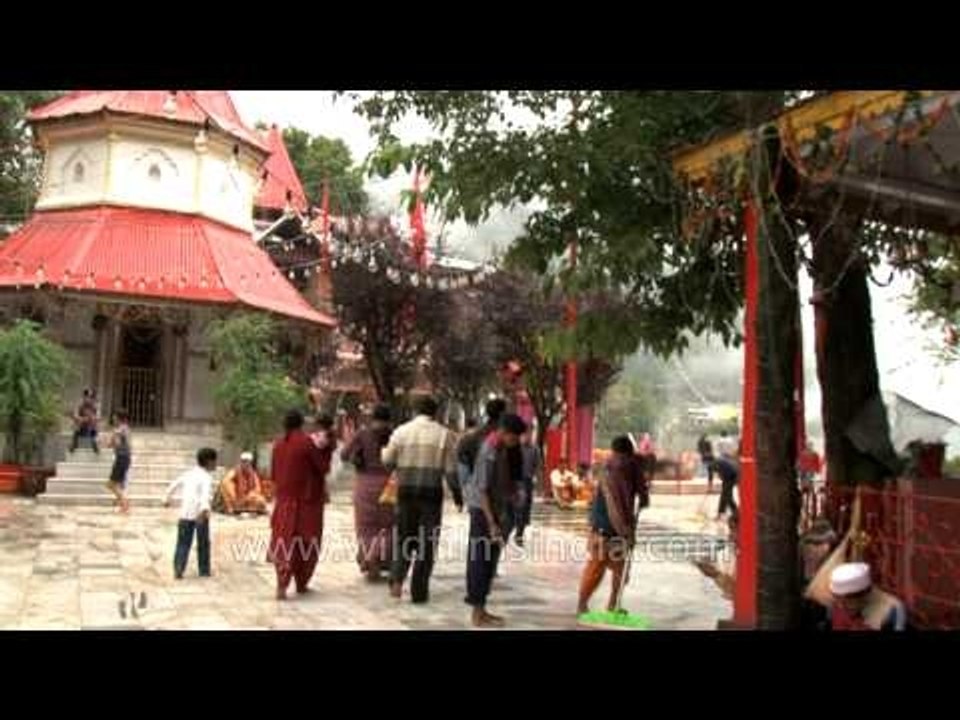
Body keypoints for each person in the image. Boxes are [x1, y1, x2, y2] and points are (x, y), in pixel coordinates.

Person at [382, 395, 462, 604]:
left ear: (415, 411)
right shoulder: (445, 435)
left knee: (404, 538)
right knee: (427, 544)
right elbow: (451, 472)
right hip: (431, 497)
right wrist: (457, 495)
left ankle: (396, 582)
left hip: (405, 495)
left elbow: (387, 460)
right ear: (435, 412)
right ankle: (418, 591)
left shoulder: (401, 432)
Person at [465, 413, 527, 627]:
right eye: (514, 437)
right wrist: (491, 523)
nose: (516, 442)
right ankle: (477, 613)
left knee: (489, 560)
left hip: (496, 509)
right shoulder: (488, 451)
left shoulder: (502, 448)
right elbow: (482, 490)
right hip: (483, 511)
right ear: (504, 432)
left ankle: (482, 610)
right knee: (480, 560)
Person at [577, 435, 647, 615]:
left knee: (621, 570)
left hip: (622, 526)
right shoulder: (609, 473)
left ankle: (613, 604)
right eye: (619, 458)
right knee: (596, 568)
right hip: (603, 526)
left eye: (626, 458)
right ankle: (582, 604)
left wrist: (644, 497)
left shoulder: (631, 467)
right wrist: (626, 533)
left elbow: (641, 489)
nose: (622, 462)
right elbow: (614, 508)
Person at [269, 410, 334, 600]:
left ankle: (281, 585)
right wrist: (328, 449)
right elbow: (323, 468)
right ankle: (301, 582)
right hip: (308, 502)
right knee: (307, 544)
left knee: (284, 543)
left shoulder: (278, 445)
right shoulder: (308, 443)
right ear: (302, 423)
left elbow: (274, 475)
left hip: (284, 502)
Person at [341, 403, 394, 581]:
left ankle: (370, 560)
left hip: (364, 485)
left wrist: (357, 457)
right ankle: (377, 557)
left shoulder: (362, 434)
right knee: (389, 526)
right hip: (389, 486)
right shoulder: (395, 434)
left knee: (365, 527)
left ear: (373, 418)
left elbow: (344, 454)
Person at [164, 447, 218, 579]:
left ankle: (178, 568)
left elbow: (173, 485)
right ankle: (204, 570)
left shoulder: (188, 474)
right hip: (200, 514)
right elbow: (204, 496)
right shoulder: (206, 477)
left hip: (185, 514)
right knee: (203, 543)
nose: (216, 464)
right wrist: (204, 510)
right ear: (208, 461)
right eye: (214, 461)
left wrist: (166, 498)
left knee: (183, 543)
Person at [828, 562, 906, 631]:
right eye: (837, 599)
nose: (841, 605)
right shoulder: (835, 605)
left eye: (846, 601)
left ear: (864, 593)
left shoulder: (893, 608)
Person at [457, 399, 506, 492]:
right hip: (496, 491)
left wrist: (468, 488)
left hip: (478, 490)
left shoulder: (472, 437)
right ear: (502, 414)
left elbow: (463, 469)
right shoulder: (506, 437)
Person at [513, 429, 542, 547]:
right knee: (519, 507)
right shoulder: (516, 448)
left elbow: (538, 466)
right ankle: (517, 532)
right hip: (517, 481)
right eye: (525, 434)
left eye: (530, 434)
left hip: (528, 481)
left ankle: (520, 532)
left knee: (526, 509)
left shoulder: (535, 449)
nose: (528, 436)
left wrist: (538, 482)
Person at [104, 410, 131, 513]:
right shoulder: (124, 428)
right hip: (124, 458)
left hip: (121, 458)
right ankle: (122, 504)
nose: (113, 419)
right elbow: (113, 444)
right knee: (117, 484)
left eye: (114, 417)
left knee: (111, 484)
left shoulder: (120, 430)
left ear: (119, 418)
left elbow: (117, 444)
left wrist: (111, 438)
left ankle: (124, 503)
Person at [70, 388, 100, 453]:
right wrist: (83, 419)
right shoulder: (80, 405)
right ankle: (74, 444)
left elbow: (98, 417)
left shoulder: (94, 406)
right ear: (84, 397)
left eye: (91, 397)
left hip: (91, 427)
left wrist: (93, 418)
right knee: (77, 425)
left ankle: (94, 443)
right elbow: (75, 415)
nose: (89, 399)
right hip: (81, 427)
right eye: (87, 396)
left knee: (93, 424)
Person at [714, 447, 739, 521]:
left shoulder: (716, 464)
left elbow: (718, 474)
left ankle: (735, 513)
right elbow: (721, 474)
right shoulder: (720, 461)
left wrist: (710, 485)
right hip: (731, 476)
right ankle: (722, 513)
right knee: (725, 496)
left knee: (727, 496)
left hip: (731, 477)